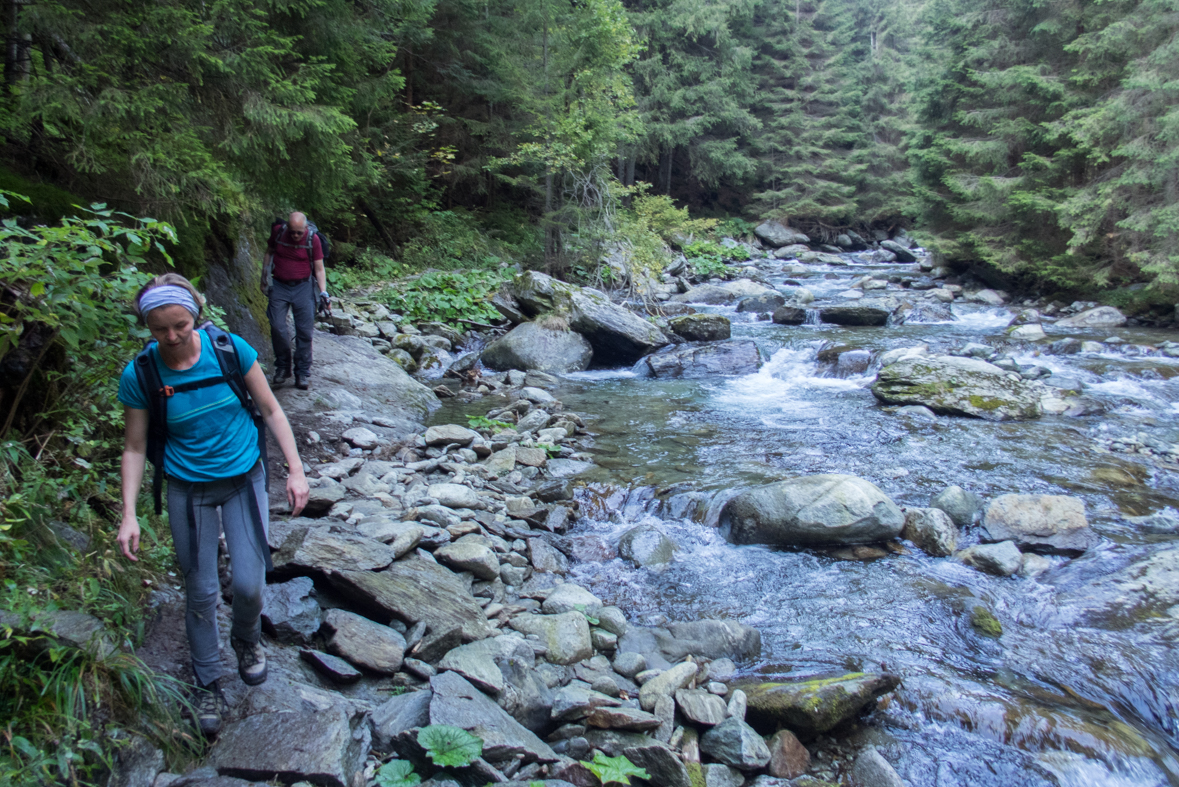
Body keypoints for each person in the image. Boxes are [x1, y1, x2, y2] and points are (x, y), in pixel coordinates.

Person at [116, 274, 310, 736]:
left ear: (196, 316)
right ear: (147, 326)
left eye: (180, 325)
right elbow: (135, 447)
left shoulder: (230, 350)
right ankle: (207, 681)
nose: (172, 337)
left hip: (244, 480)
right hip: (188, 491)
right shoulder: (141, 374)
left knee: (248, 583)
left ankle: (246, 639)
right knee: (200, 591)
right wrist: (129, 513)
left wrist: (297, 470)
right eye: (160, 329)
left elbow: (271, 410)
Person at [260, 211, 329, 390]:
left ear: (305, 228)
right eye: (292, 232)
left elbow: (319, 269)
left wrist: (323, 292)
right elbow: (269, 253)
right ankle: (283, 368)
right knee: (277, 326)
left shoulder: (313, 240)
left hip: (303, 287)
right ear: (287, 228)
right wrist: (264, 276)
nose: (295, 236)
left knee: (304, 331)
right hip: (279, 286)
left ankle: (302, 373)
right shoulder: (279, 233)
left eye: (299, 232)